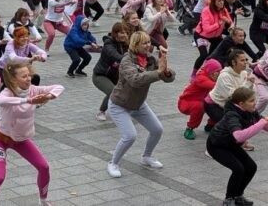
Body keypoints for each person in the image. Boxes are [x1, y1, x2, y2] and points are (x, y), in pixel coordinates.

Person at [0, 62, 63, 206]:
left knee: (44, 167)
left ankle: (43, 201)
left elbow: (59, 87)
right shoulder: (7, 92)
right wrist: (29, 100)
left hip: (20, 140)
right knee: (0, 177)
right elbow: (1, 100)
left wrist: (50, 96)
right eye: (24, 76)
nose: (29, 78)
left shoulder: (33, 89)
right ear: (14, 80)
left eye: (29, 75)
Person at [106, 31, 175, 178]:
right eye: (144, 43)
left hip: (138, 104)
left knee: (157, 129)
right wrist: (158, 72)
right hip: (119, 104)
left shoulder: (150, 60)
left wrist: (165, 68)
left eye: (149, 42)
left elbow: (168, 78)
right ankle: (113, 163)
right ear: (135, 45)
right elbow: (135, 80)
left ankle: (146, 157)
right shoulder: (127, 61)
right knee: (130, 136)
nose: (148, 45)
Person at [207, 87, 268, 206]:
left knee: (251, 167)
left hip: (231, 144)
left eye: (255, 99)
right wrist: (261, 123)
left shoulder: (251, 111)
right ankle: (228, 200)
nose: (255, 103)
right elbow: (239, 136)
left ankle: (238, 196)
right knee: (238, 169)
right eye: (251, 101)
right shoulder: (232, 115)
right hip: (217, 145)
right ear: (241, 104)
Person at [93, 23, 128, 122]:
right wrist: (128, 57)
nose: (124, 35)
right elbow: (116, 56)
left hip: (115, 76)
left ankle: (122, 110)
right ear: (115, 33)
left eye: (126, 33)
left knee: (126, 90)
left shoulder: (125, 44)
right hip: (100, 75)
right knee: (113, 92)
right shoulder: (108, 45)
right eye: (121, 33)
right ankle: (101, 111)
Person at [178, 59, 221, 140]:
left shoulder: (210, 76)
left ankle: (211, 124)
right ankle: (190, 128)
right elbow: (215, 86)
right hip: (186, 102)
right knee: (199, 106)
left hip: (200, 100)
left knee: (217, 102)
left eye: (219, 71)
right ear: (210, 71)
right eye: (217, 71)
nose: (218, 74)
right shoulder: (201, 78)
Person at [193, 0, 233, 72]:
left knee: (215, 55)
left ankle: (208, 70)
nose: (221, 3)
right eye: (219, 1)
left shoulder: (223, 10)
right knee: (203, 55)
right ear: (214, 2)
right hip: (202, 35)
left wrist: (230, 24)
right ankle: (194, 73)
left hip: (216, 36)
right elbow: (207, 29)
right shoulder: (206, 11)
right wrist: (218, 23)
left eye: (222, 1)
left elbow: (230, 22)